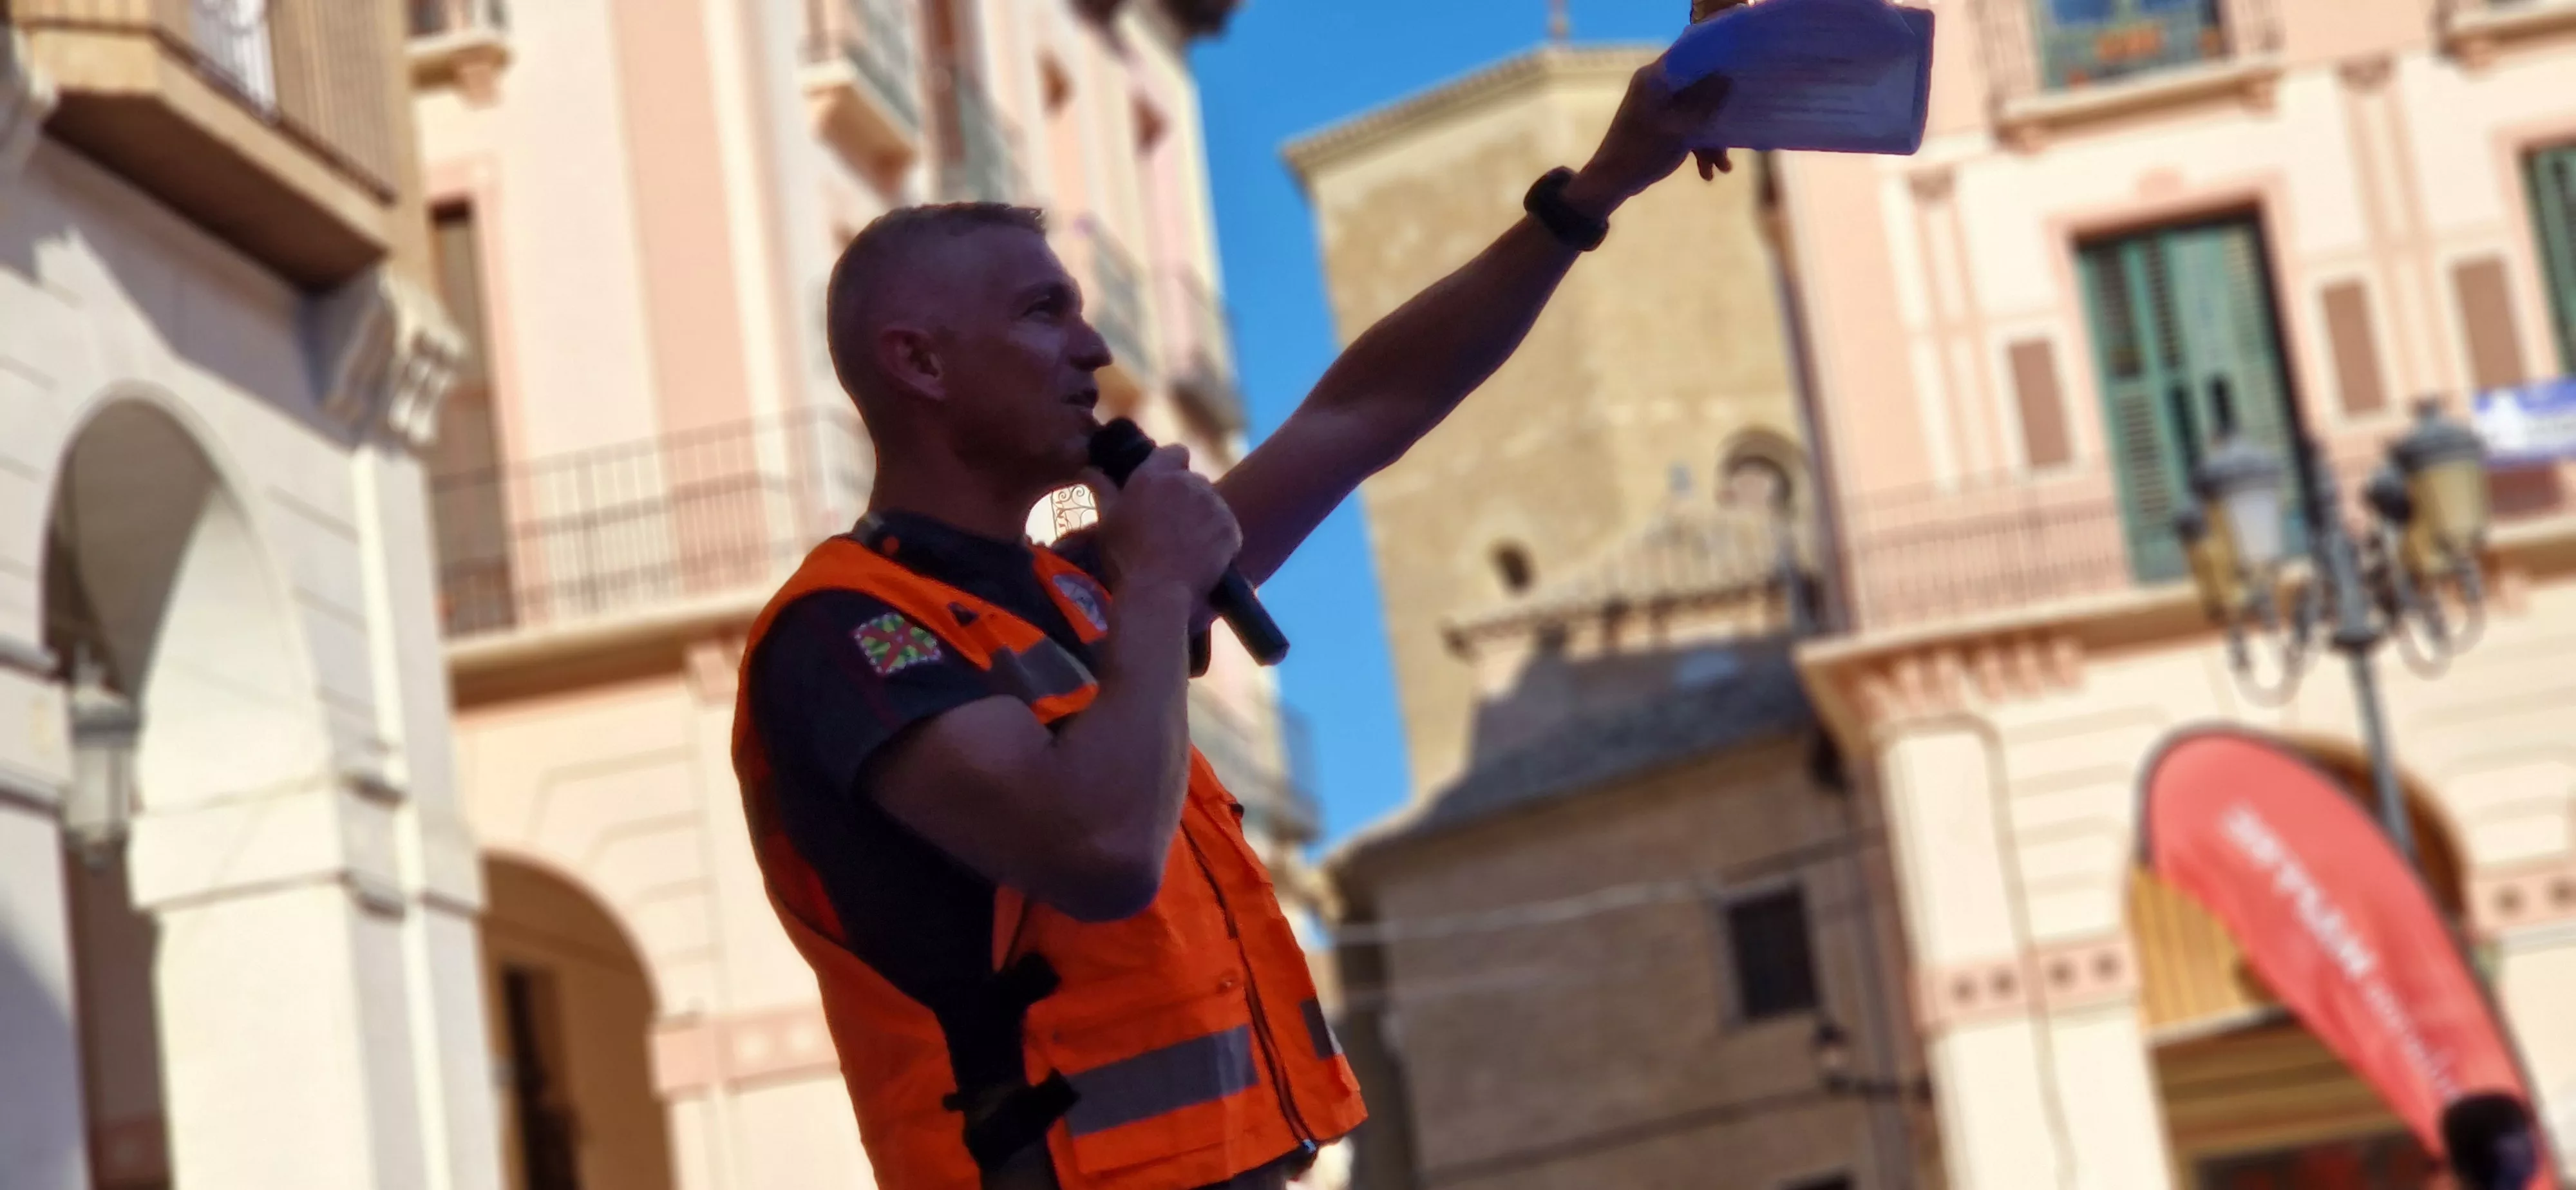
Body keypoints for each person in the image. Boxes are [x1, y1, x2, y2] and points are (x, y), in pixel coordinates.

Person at [732, 57, 1737, 1190]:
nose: (1095, 350)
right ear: (917, 361)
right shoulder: (849, 635)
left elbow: (1362, 414)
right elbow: (1099, 851)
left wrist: (1593, 193)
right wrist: (1161, 587)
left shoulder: (1078, 594)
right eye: (1041, 313)